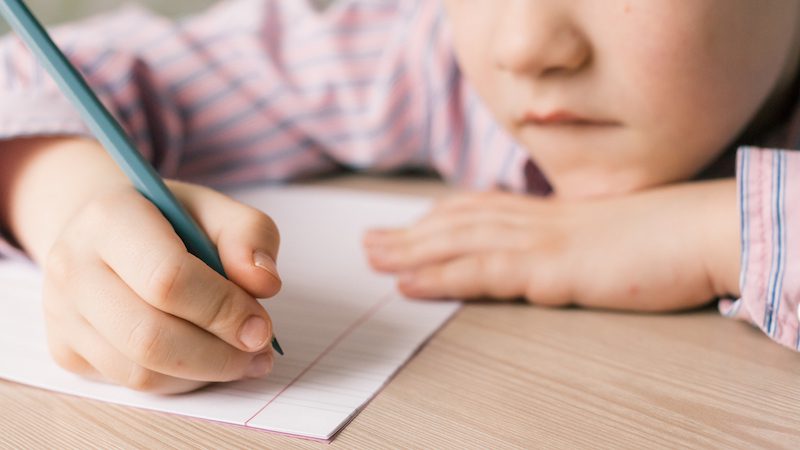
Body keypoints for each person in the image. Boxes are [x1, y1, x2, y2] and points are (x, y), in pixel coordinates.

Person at [0, 0, 798, 394]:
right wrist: (73, 203)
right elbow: (26, 73)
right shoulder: (435, 64)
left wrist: (713, 233)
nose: (525, 45)